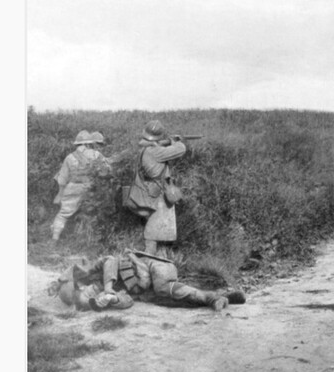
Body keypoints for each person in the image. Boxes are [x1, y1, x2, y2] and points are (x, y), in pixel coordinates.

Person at [50, 249, 246, 313]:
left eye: (86, 293)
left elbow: (111, 260)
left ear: (82, 285)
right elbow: (128, 301)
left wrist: (108, 288)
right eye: (88, 300)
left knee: (163, 289)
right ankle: (221, 297)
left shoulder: (96, 270)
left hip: (152, 267)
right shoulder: (105, 296)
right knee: (173, 299)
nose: (93, 294)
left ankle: (213, 298)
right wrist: (112, 300)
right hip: (149, 287)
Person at [134, 120, 187, 255]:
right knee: (156, 229)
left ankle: (155, 257)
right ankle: (153, 258)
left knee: (155, 227)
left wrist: (166, 142)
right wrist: (176, 141)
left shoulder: (145, 149)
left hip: (150, 190)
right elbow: (181, 150)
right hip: (158, 194)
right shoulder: (154, 151)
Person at [50, 130, 112, 242]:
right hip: (91, 188)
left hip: (73, 187)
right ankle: (93, 239)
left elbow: (62, 179)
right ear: (89, 143)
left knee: (63, 214)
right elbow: (107, 170)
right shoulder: (96, 155)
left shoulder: (70, 157)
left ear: (77, 144)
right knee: (95, 212)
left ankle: (55, 238)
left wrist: (60, 194)